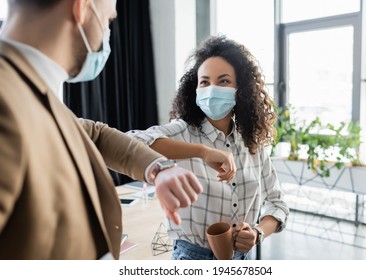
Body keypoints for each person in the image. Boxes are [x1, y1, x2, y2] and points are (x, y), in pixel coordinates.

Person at [0, 0, 225, 260]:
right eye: (108, 20)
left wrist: (158, 168)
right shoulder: (8, 102)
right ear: (82, 8)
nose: (107, 35)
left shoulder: (30, 90)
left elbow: (94, 135)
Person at [129, 35, 289, 260]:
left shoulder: (252, 142)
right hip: (192, 258)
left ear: (240, 89)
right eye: (204, 82)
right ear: (194, 89)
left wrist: (257, 232)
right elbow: (130, 142)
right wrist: (202, 152)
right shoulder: (183, 131)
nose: (212, 89)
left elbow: (278, 203)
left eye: (223, 81)